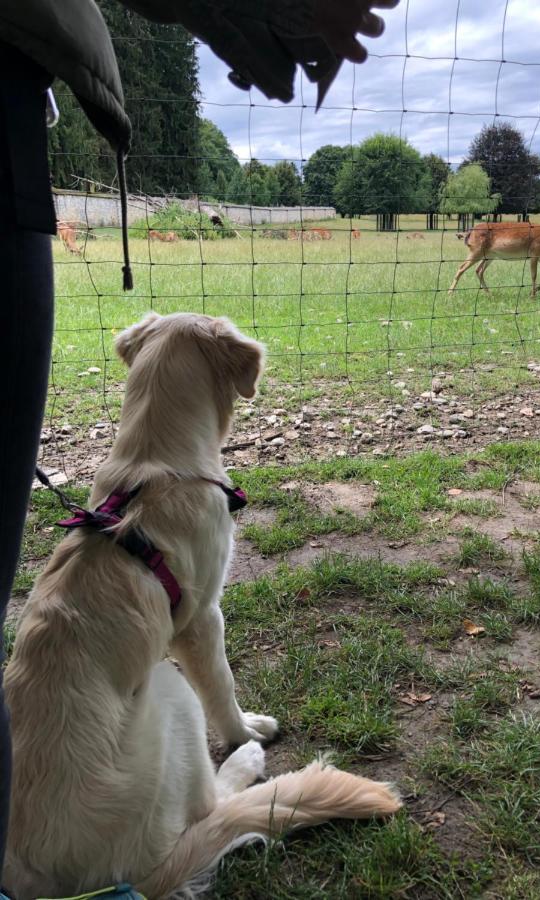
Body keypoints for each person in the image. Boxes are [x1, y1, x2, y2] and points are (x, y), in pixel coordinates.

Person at [0, 0, 397, 887]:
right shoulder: (190, 497)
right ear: (231, 377)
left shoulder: (112, 498)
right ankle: (220, 783)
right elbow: (201, 624)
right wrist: (234, 733)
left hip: (23, 836)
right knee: (178, 666)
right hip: (101, 842)